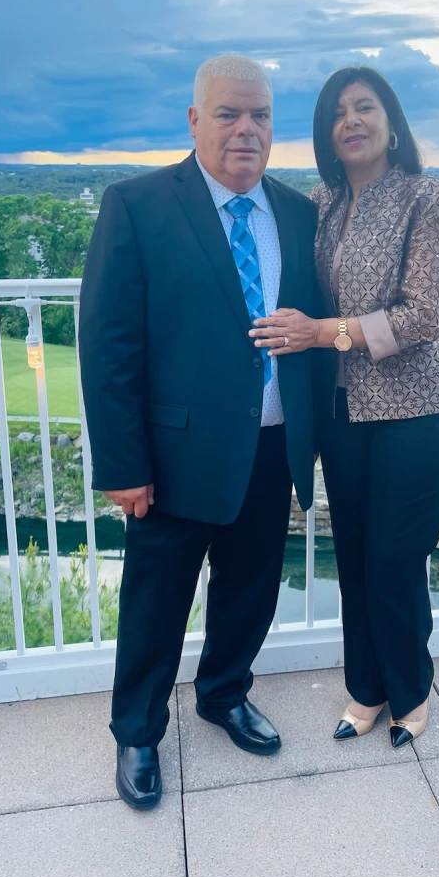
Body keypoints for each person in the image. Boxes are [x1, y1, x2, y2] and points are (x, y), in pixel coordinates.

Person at [78, 55, 321, 810]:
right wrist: (123, 462)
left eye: (261, 117)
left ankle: (222, 693)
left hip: (273, 443)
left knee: (251, 588)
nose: (246, 129)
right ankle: (139, 730)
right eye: (228, 114)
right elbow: (108, 344)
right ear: (195, 120)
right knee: (157, 599)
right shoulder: (137, 205)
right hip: (173, 455)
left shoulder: (299, 212)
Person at [250, 66, 439, 748]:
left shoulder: (429, 199)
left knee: (395, 560)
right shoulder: (325, 204)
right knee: (354, 559)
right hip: (343, 415)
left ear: (390, 122)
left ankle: (411, 688)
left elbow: (424, 315)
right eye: (336, 112)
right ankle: (366, 689)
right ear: (325, 135)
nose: (351, 120)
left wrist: (323, 332)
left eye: (364, 107)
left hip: (416, 413)